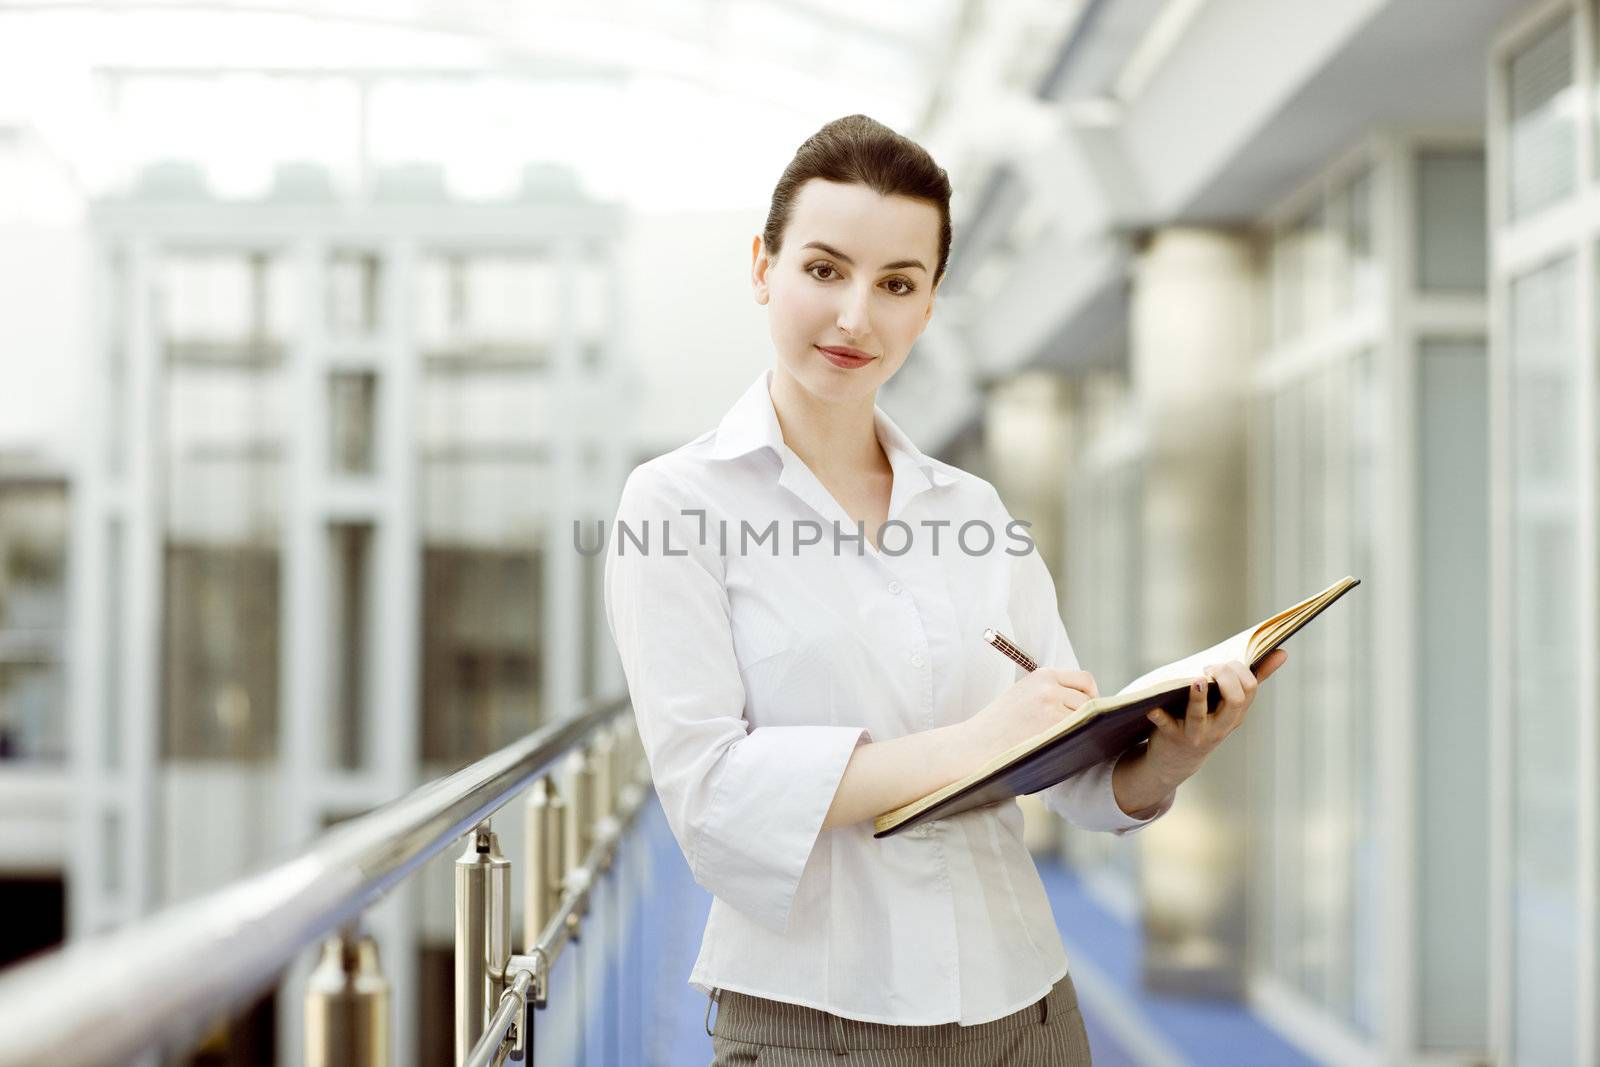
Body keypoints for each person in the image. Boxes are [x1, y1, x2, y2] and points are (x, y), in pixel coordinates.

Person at [602, 114, 1287, 1066]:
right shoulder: (675, 503)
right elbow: (711, 793)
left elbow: (1070, 762)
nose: (856, 317)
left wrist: (1168, 755)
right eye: (824, 269)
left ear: (927, 309)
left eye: (896, 285)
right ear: (762, 265)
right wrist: (973, 741)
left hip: (1026, 1005)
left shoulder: (973, 508)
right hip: (819, 1023)